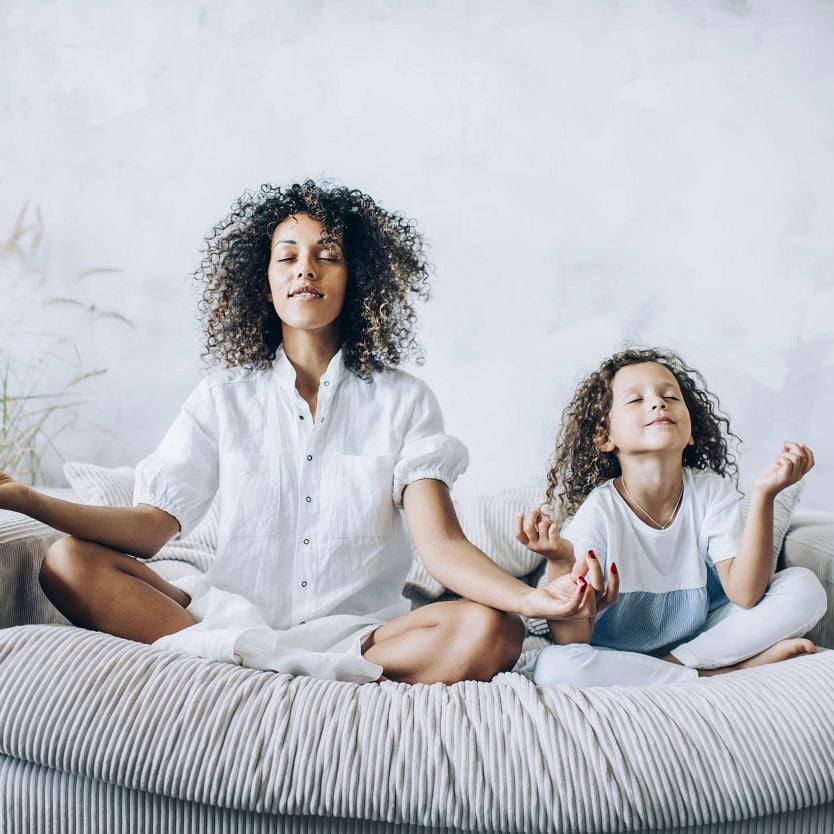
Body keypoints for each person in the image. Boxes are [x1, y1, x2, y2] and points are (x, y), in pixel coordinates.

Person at [0, 180, 609, 685]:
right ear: (262, 280)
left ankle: (251, 666)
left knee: (492, 630)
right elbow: (152, 528)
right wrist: (25, 497)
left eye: (328, 254)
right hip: (227, 614)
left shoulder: (404, 401)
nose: (305, 269)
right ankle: (258, 655)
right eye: (287, 254)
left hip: (364, 634)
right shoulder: (223, 395)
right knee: (67, 561)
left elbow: (442, 547)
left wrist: (529, 601)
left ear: (358, 278)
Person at [515, 346, 827, 687]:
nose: (657, 403)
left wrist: (765, 495)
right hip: (615, 653)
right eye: (636, 400)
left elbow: (745, 594)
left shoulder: (711, 491)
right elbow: (572, 640)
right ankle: (718, 674)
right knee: (556, 666)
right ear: (605, 437)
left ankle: (676, 670)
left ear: (690, 431)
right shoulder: (599, 512)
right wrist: (560, 560)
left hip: (695, 641)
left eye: (670, 396)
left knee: (804, 588)